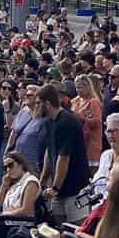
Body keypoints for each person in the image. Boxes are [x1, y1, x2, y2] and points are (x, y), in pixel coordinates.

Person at [38, 85, 92, 225]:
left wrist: (55, 187)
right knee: (58, 227)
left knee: (77, 228)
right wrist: (42, 180)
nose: (34, 106)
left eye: (38, 103)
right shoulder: (50, 121)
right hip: (60, 187)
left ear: (47, 104)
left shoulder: (67, 122)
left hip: (76, 187)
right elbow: (49, 153)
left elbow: (64, 158)